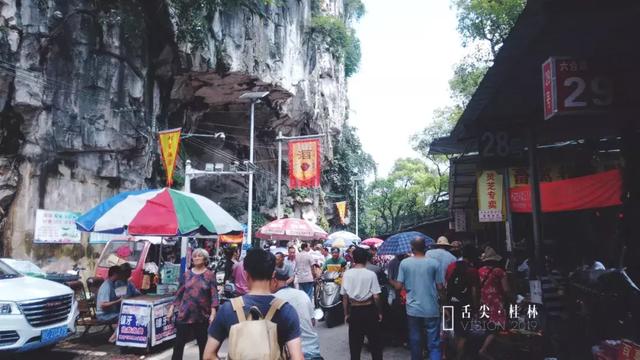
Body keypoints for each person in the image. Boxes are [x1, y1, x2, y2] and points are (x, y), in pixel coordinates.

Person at [204, 248, 303, 360]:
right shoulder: (286, 310)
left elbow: (208, 356)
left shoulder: (228, 309)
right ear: (273, 274)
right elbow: (297, 357)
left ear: (246, 274)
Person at [392, 237, 443, 360]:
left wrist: (389, 280)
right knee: (434, 343)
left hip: (413, 309)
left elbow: (398, 286)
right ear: (425, 247)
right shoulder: (434, 263)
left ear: (412, 248)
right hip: (432, 308)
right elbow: (440, 287)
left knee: (415, 341)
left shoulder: (405, 263)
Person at [170, 248, 219, 360]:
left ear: (205, 258)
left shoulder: (210, 275)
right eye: (194, 256)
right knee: (178, 344)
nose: (196, 258)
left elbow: (214, 295)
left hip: (202, 315)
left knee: (203, 345)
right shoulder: (186, 274)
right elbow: (179, 292)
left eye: (199, 256)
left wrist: (213, 313)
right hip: (185, 314)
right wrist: (172, 308)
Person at [341, 247, 383, 360]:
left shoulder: (347, 274)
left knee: (355, 346)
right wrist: (379, 312)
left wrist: (346, 314)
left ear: (353, 259)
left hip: (354, 311)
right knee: (375, 345)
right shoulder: (371, 274)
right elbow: (376, 296)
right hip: (369, 310)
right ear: (366, 259)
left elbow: (345, 297)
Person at [272, 271, 323, 360]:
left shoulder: (273, 299)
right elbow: (312, 322)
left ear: (274, 281)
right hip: (312, 349)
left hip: (291, 353)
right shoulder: (302, 294)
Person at [445, 245, 480, 360]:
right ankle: (459, 357)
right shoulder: (472, 270)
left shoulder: (451, 266)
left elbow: (447, 286)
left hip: (451, 303)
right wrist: (476, 308)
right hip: (465, 304)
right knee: (464, 334)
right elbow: (474, 291)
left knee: (455, 331)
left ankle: (454, 354)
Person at [477, 246, 510, 360]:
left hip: (483, 301)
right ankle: (484, 349)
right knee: (497, 327)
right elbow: (506, 290)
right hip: (496, 302)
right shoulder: (499, 272)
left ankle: (490, 349)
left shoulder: (479, 271)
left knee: (488, 326)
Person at [97, 265, 123, 343]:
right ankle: (113, 338)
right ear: (115, 274)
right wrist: (118, 301)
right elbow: (103, 305)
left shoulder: (113, 284)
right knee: (122, 317)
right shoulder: (106, 286)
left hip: (110, 312)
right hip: (103, 315)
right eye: (120, 274)